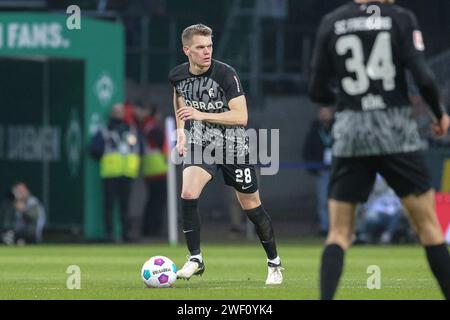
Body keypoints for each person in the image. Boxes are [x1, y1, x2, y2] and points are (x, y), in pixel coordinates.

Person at [309, 0, 450, 299]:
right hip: (395, 131)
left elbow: (317, 90)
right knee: (428, 228)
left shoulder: (332, 21)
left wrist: (348, 100)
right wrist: (439, 114)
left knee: (338, 233)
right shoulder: (400, 18)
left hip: (351, 134)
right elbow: (423, 77)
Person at [169, 24, 283, 284]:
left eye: (209, 46)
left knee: (252, 207)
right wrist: (181, 131)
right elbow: (178, 98)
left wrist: (200, 114)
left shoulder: (225, 74)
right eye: (200, 47)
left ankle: (274, 263)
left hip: (233, 146)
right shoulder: (177, 75)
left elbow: (241, 117)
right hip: (201, 144)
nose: (207, 51)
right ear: (187, 50)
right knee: (188, 192)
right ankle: (195, 258)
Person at [90, 104, 142, 243]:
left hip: (127, 173)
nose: (119, 114)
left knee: (125, 206)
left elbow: (140, 148)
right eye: (116, 111)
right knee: (109, 206)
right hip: (111, 173)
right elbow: (94, 149)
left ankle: (126, 234)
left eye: (121, 111)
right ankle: (109, 234)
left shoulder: (131, 129)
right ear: (111, 113)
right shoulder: (105, 129)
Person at [302, 106, 334, 235]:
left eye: (327, 113)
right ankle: (325, 227)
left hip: (337, 170)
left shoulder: (338, 129)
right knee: (323, 201)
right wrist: (314, 169)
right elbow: (307, 151)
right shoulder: (314, 131)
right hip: (322, 171)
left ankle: (338, 227)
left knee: (339, 200)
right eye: (322, 114)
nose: (324, 116)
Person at [139, 105, 169, 238]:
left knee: (153, 201)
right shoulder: (151, 128)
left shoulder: (146, 126)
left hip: (153, 168)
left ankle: (151, 229)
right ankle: (152, 229)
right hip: (157, 169)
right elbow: (160, 143)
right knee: (156, 202)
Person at [355, 175, 407, 244]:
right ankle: (364, 235)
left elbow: (398, 206)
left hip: (390, 216)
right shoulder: (375, 194)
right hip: (377, 214)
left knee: (397, 214)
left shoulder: (394, 194)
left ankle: (386, 236)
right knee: (371, 217)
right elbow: (368, 206)